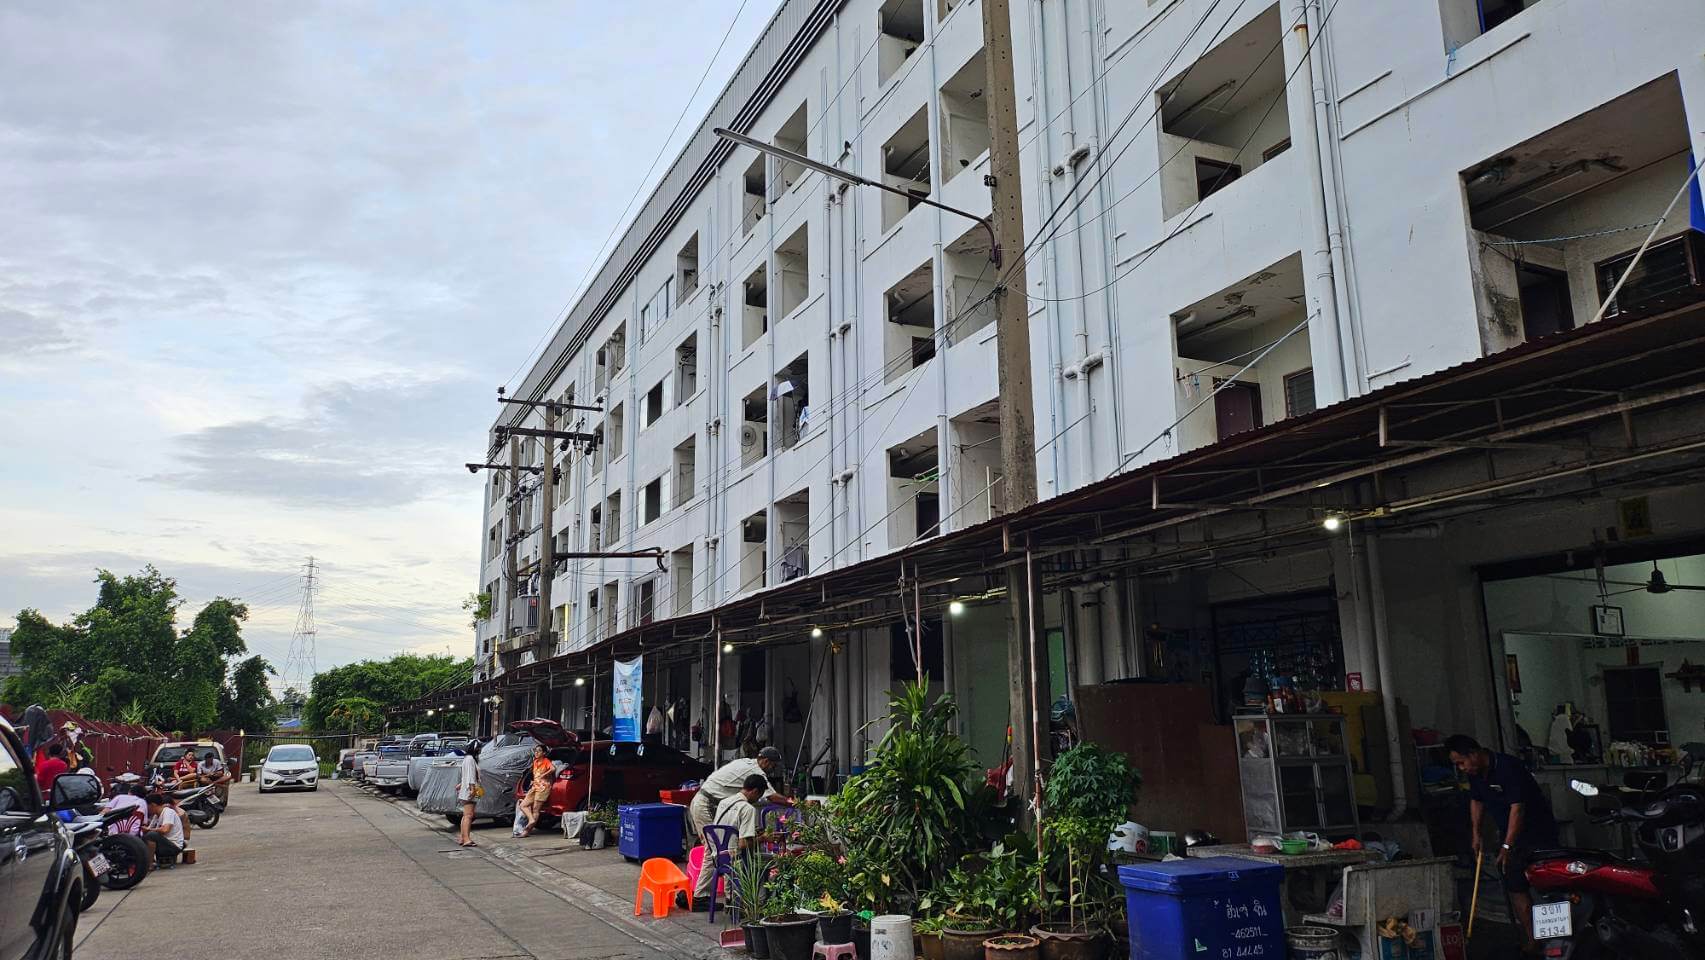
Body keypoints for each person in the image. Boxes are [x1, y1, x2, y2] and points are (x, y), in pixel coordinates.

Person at [1447, 733, 1560, 952]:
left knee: (1550, 888)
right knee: (1515, 886)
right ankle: (1532, 939)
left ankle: (1557, 941)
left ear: (1473, 754)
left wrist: (1507, 845)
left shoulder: (1508, 767)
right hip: (1511, 839)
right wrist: (1476, 834)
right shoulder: (1476, 774)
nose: (1461, 768)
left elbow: (1518, 809)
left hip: (1540, 835)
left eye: (1461, 762)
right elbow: (1476, 800)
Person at [683, 773, 768, 909]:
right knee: (765, 864)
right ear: (755, 791)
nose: (757, 800)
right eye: (759, 796)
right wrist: (764, 838)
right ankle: (757, 906)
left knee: (735, 851)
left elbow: (726, 829)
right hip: (735, 859)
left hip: (719, 857)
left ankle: (731, 900)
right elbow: (743, 844)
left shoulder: (724, 802)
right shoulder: (748, 809)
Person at [687, 745, 789, 838]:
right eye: (773, 766)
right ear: (766, 761)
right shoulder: (755, 771)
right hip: (706, 804)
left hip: (707, 801)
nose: (773, 769)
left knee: (718, 843)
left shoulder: (745, 761)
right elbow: (772, 797)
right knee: (714, 845)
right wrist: (796, 803)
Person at [142, 792, 186, 867]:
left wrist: (149, 830)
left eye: (147, 806)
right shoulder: (156, 816)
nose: (146, 809)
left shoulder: (168, 812)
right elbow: (149, 829)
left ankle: (150, 864)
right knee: (144, 835)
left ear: (153, 805)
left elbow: (165, 830)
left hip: (174, 846)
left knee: (151, 835)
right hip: (165, 844)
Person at [457, 739, 483, 848]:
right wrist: (472, 789)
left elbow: (466, 775)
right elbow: (470, 775)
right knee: (469, 815)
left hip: (467, 788)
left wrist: (462, 784)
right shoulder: (470, 759)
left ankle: (463, 837)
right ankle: (466, 839)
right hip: (469, 789)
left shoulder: (467, 759)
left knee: (466, 815)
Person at [520, 767, 556, 837]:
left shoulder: (546, 762)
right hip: (535, 787)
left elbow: (553, 769)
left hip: (543, 788)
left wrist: (543, 775)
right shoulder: (535, 763)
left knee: (535, 810)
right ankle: (531, 820)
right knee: (523, 805)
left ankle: (527, 831)